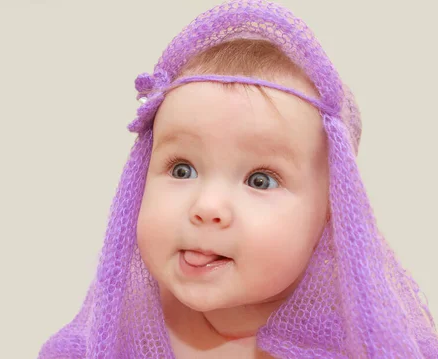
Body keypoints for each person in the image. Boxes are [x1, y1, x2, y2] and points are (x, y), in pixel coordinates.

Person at [39, 1, 438, 358]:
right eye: (182, 169)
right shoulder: (112, 331)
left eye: (260, 180)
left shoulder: (359, 340)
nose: (207, 207)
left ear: (332, 212)